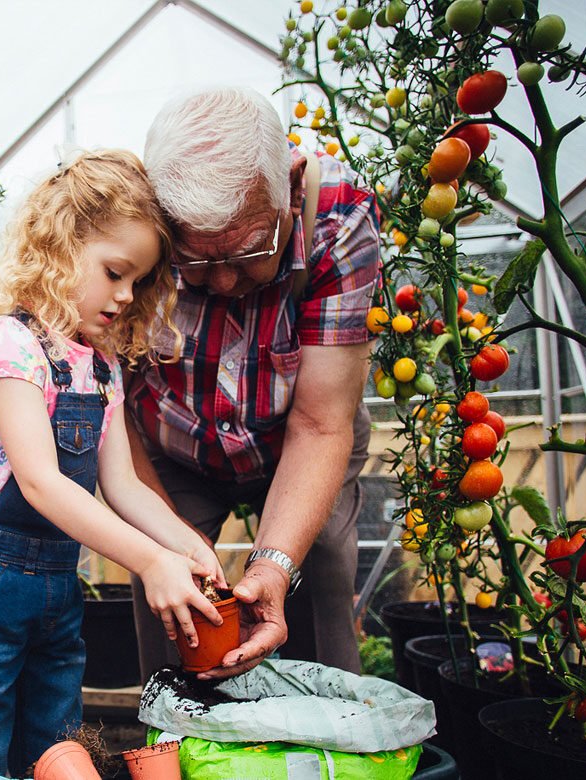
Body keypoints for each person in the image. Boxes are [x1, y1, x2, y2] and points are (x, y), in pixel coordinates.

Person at [0, 150, 228, 777]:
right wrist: (148, 561)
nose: (124, 295)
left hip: (56, 590)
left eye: (137, 282)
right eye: (114, 272)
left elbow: (124, 486)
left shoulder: (101, 366)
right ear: (60, 246)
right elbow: (39, 482)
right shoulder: (11, 343)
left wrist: (189, 548)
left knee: (55, 747)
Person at [127, 87, 382, 681]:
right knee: (171, 598)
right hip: (173, 442)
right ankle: (175, 747)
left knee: (319, 570)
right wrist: (166, 545)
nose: (220, 282)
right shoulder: (130, 221)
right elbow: (112, 412)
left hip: (298, 432)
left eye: (246, 253)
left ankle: (323, 743)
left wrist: (272, 565)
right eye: (194, 260)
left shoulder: (340, 219)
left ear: (291, 186)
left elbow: (321, 424)